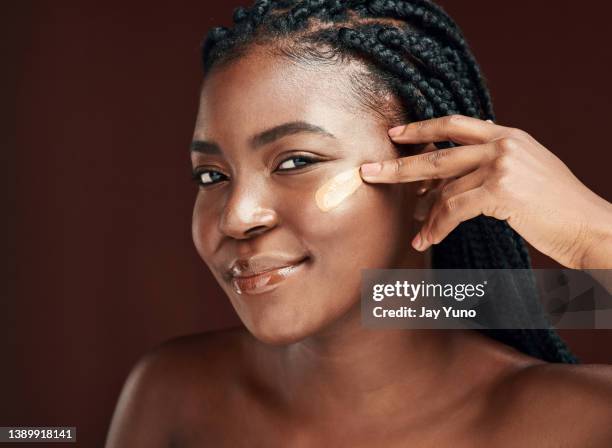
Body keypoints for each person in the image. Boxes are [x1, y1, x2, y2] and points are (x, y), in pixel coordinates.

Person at [105, 1, 612, 446]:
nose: (237, 216)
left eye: (295, 162)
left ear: (427, 178)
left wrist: (598, 237)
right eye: (212, 174)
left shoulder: (581, 422)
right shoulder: (175, 395)